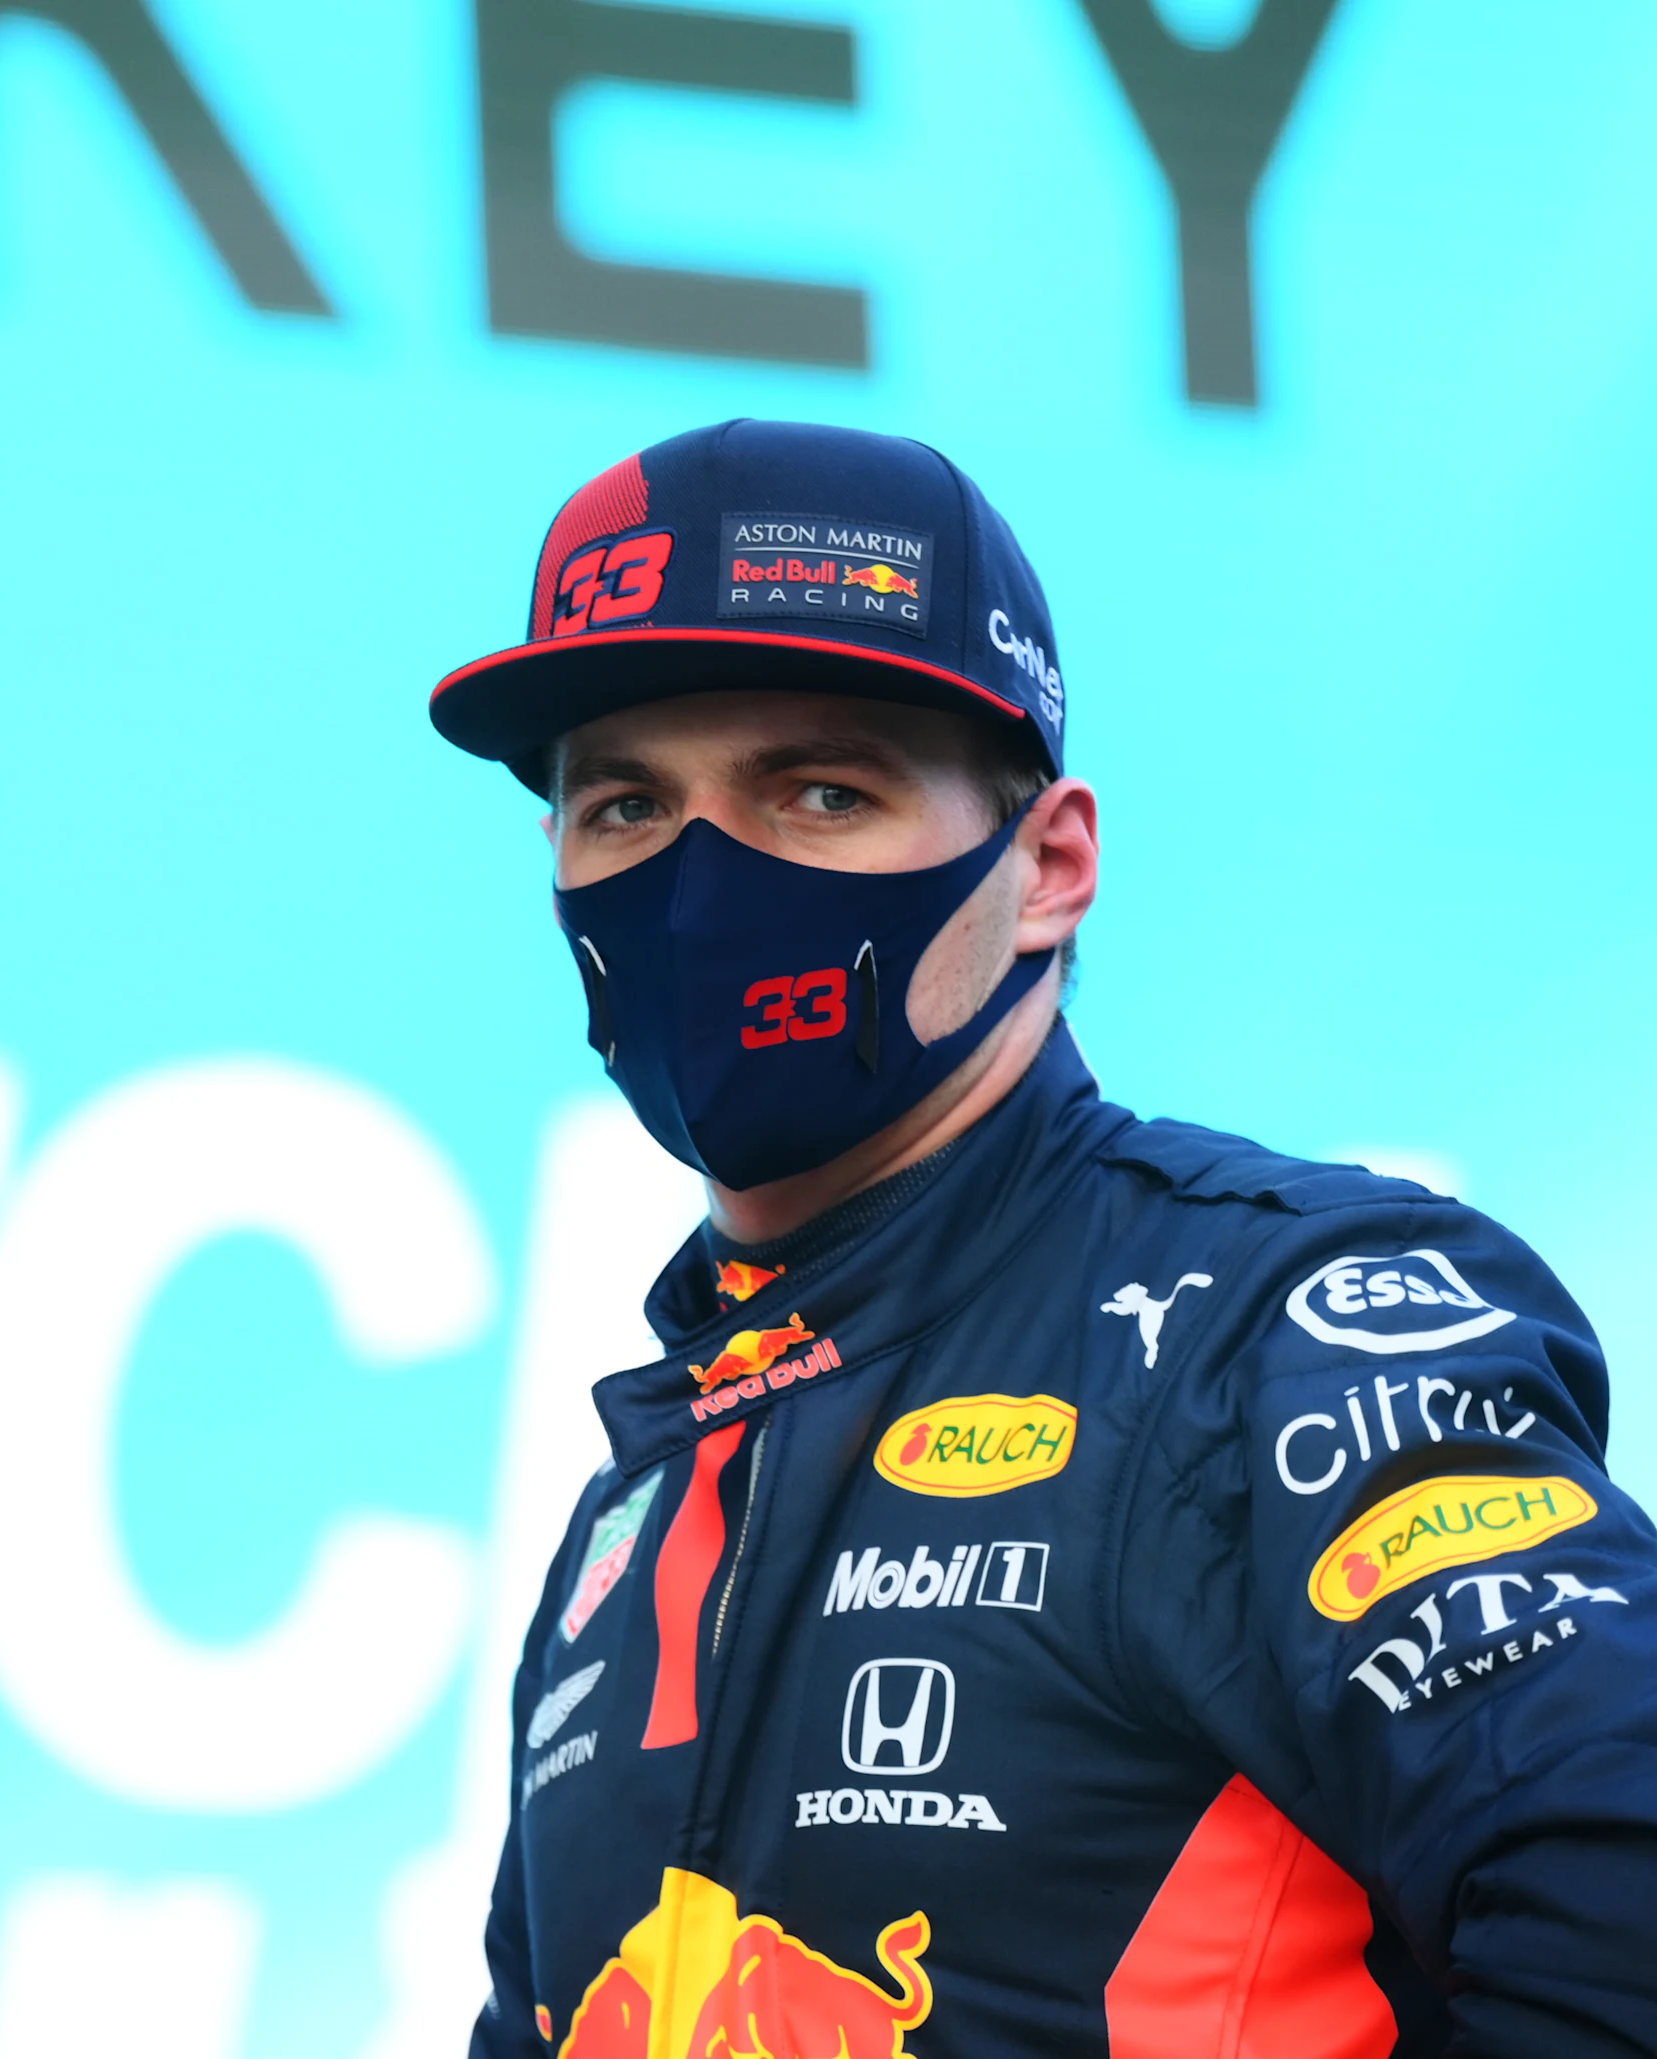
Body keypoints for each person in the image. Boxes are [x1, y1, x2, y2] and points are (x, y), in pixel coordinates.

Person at [431, 422, 1657, 2054]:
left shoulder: (1273, 1331)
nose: (700, 881)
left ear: (1049, 866)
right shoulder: (638, 1508)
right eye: (628, 803)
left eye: (823, 791)